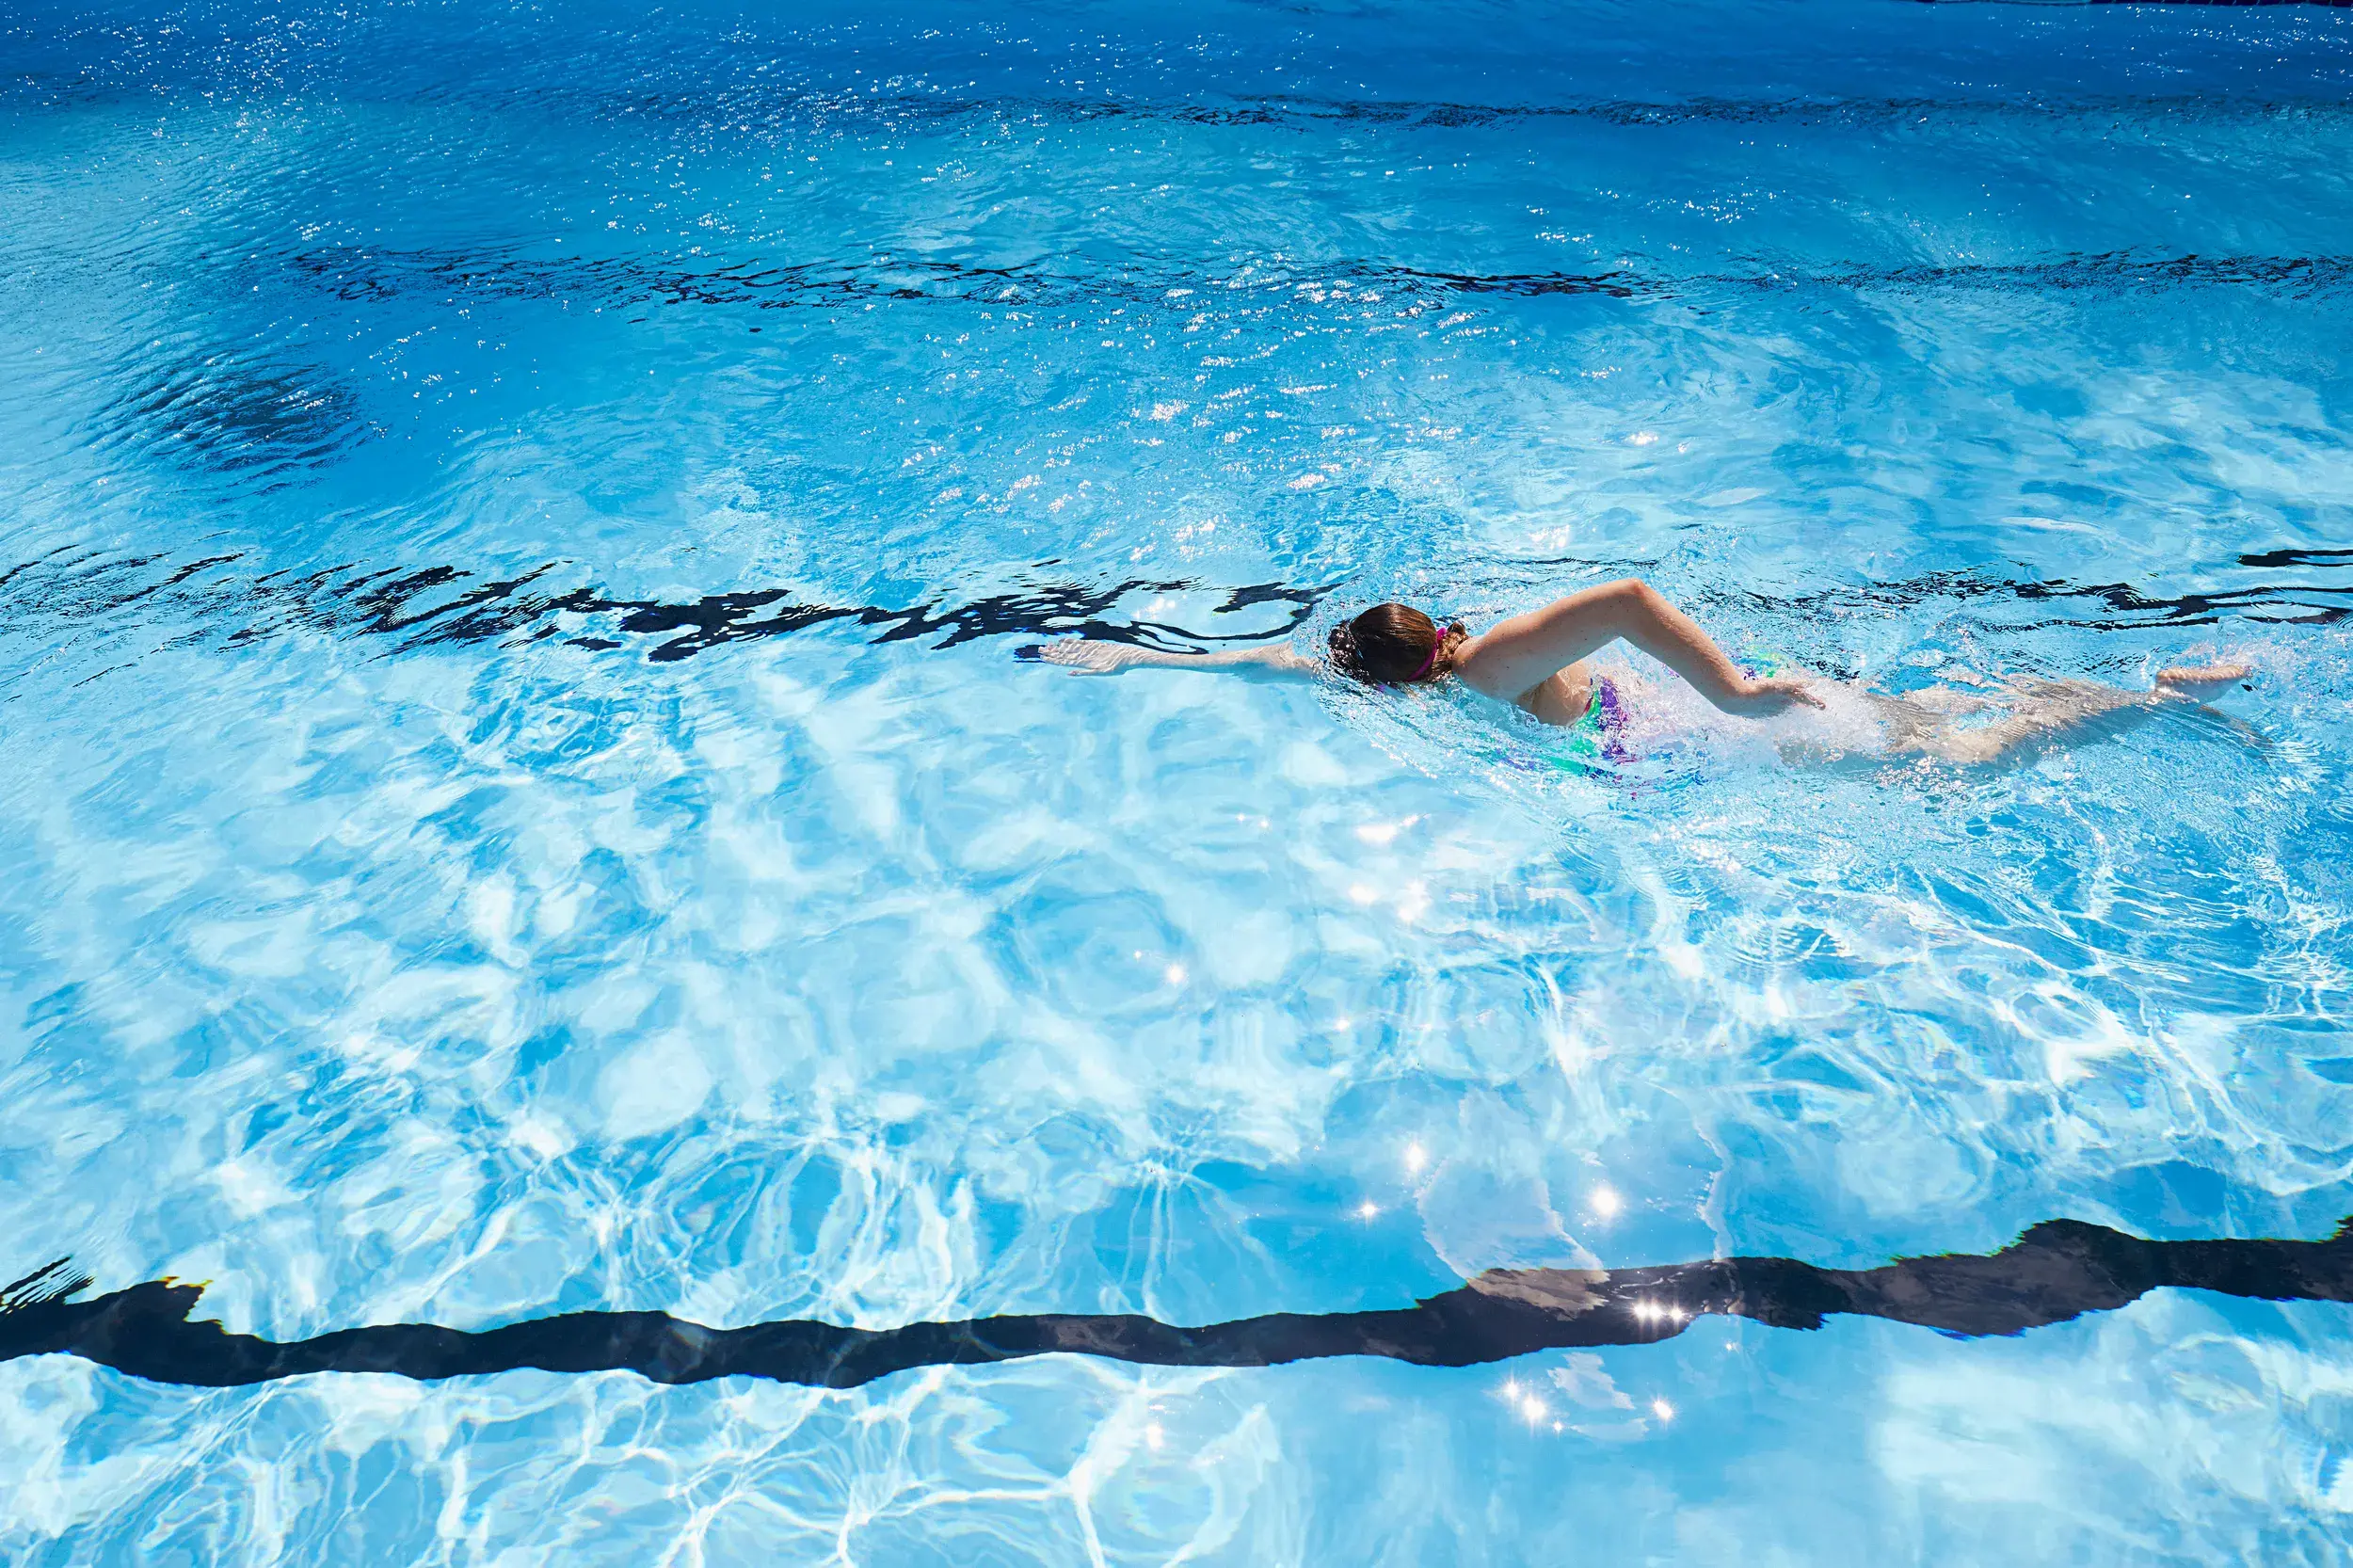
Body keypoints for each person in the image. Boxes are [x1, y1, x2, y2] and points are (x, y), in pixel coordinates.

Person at [1040, 577, 2251, 766]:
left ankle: (2152, 700)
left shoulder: (1487, 673)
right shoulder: (1447, 660)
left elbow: (1623, 598)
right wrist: (1135, 662)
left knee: (1961, 761)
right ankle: (2134, 696)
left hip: (1736, 728)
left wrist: (1728, 691)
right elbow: (1276, 661)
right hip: (1694, 719)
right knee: (1940, 723)